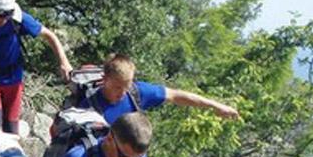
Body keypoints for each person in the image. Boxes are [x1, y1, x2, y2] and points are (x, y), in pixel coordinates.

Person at [0, 0, 73, 134]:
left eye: (7, 15)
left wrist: (64, 62)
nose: (3, 20)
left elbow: (49, 35)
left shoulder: (18, 19)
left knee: (11, 128)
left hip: (13, 78)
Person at [81, 53, 240, 123]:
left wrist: (216, 105)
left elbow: (176, 95)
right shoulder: (87, 101)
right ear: (104, 79)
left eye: (126, 86)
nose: (122, 93)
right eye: (117, 87)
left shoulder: (137, 93)